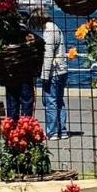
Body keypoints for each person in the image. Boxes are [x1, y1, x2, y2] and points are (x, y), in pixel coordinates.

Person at [33, 9, 69, 140]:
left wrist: (44, 75)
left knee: (50, 102)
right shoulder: (56, 28)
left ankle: (52, 132)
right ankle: (62, 130)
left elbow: (48, 55)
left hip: (53, 71)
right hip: (62, 70)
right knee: (59, 101)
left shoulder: (48, 31)